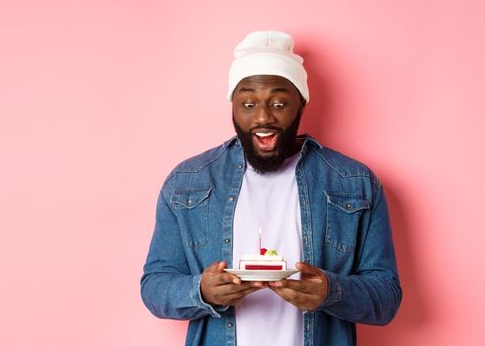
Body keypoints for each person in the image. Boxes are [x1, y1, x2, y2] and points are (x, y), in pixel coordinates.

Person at [139, 30, 401, 346]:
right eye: (248, 103)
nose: (263, 117)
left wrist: (331, 292)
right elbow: (154, 287)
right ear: (232, 106)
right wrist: (201, 291)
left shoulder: (355, 182)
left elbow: (386, 297)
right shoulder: (188, 182)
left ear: (301, 104)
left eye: (279, 102)